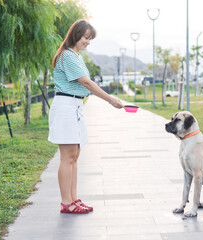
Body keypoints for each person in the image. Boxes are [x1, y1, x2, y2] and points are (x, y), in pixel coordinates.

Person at [48, 19, 124, 214]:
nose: (88, 42)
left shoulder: (76, 56)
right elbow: (87, 83)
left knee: (74, 155)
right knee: (67, 157)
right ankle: (66, 203)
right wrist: (110, 100)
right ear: (76, 35)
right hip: (66, 106)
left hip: (74, 106)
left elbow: (86, 84)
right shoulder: (68, 56)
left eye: (90, 39)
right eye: (86, 38)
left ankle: (73, 199)